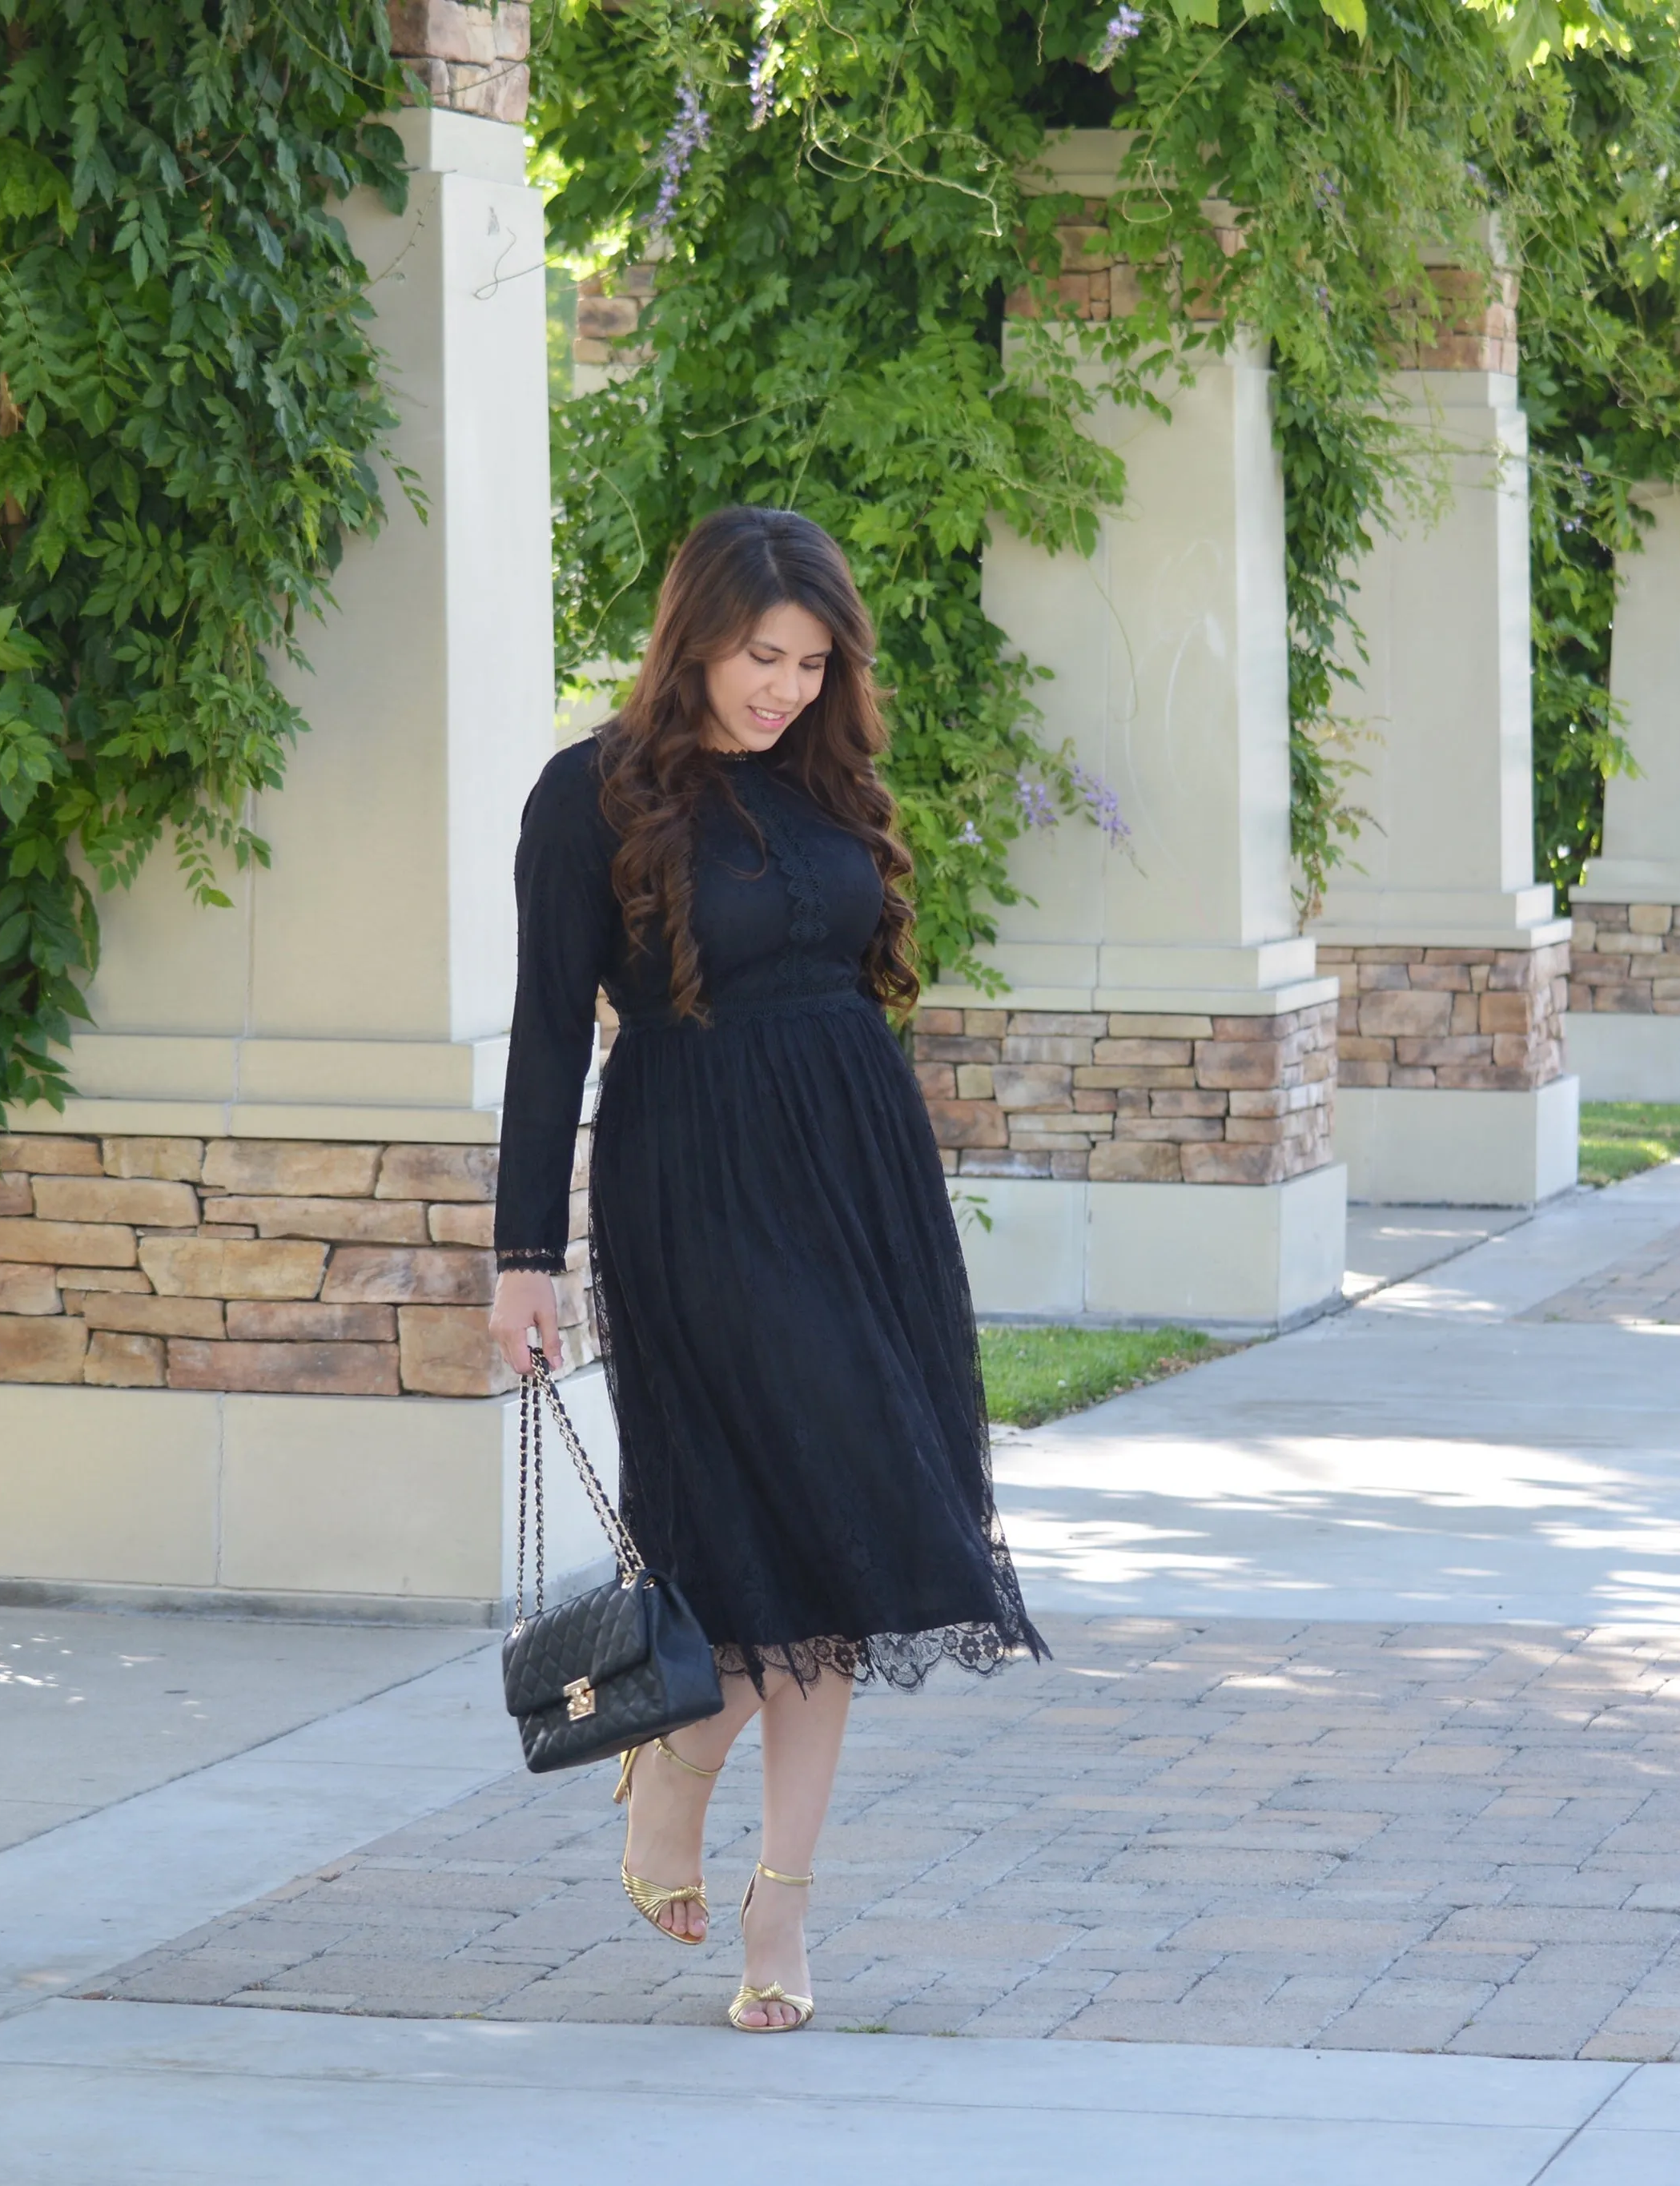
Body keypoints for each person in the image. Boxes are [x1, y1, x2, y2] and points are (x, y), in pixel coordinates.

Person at [486, 505, 1046, 2034]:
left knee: (855, 1531)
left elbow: (852, 980)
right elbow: (547, 1035)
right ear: (694, 637)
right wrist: (523, 1256)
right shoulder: (589, 797)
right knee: (746, 1527)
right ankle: (675, 1762)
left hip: (858, 1183)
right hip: (697, 1184)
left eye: (809, 662)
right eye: (759, 656)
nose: (785, 687)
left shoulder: (823, 779)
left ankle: (779, 1906)